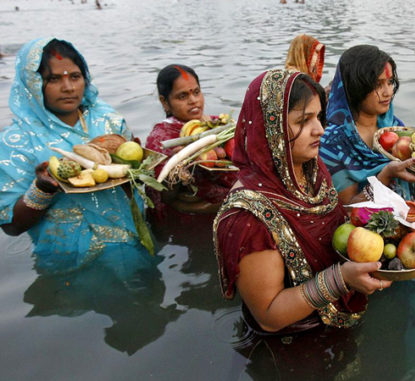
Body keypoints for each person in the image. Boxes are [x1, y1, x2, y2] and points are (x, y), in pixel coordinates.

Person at [214, 69, 392, 334]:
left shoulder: (310, 169)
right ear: (270, 128)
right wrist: (341, 279)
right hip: (293, 344)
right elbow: (269, 315)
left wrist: (386, 177)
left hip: (337, 324)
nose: (320, 129)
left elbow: (337, 222)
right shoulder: (247, 217)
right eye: (303, 121)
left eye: (318, 117)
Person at [0, 38, 156, 274]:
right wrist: (42, 189)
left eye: (74, 76)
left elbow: (136, 187)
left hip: (133, 246)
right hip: (68, 264)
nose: (69, 87)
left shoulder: (108, 121)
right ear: (32, 83)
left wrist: (137, 167)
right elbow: (11, 225)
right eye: (53, 79)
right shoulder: (17, 141)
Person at [319, 45, 415, 204]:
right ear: (355, 87)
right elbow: (346, 208)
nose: (388, 92)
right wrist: (385, 176)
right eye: (378, 85)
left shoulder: (394, 127)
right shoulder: (332, 143)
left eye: (390, 82)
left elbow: (413, 190)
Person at [145, 64, 237, 217]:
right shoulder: (161, 138)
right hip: (187, 222)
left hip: (226, 211)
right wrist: (178, 166)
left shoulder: (219, 125)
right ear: (164, 102)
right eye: (182, 96)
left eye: (196, 92)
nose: (193, 100)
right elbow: (164, 196)